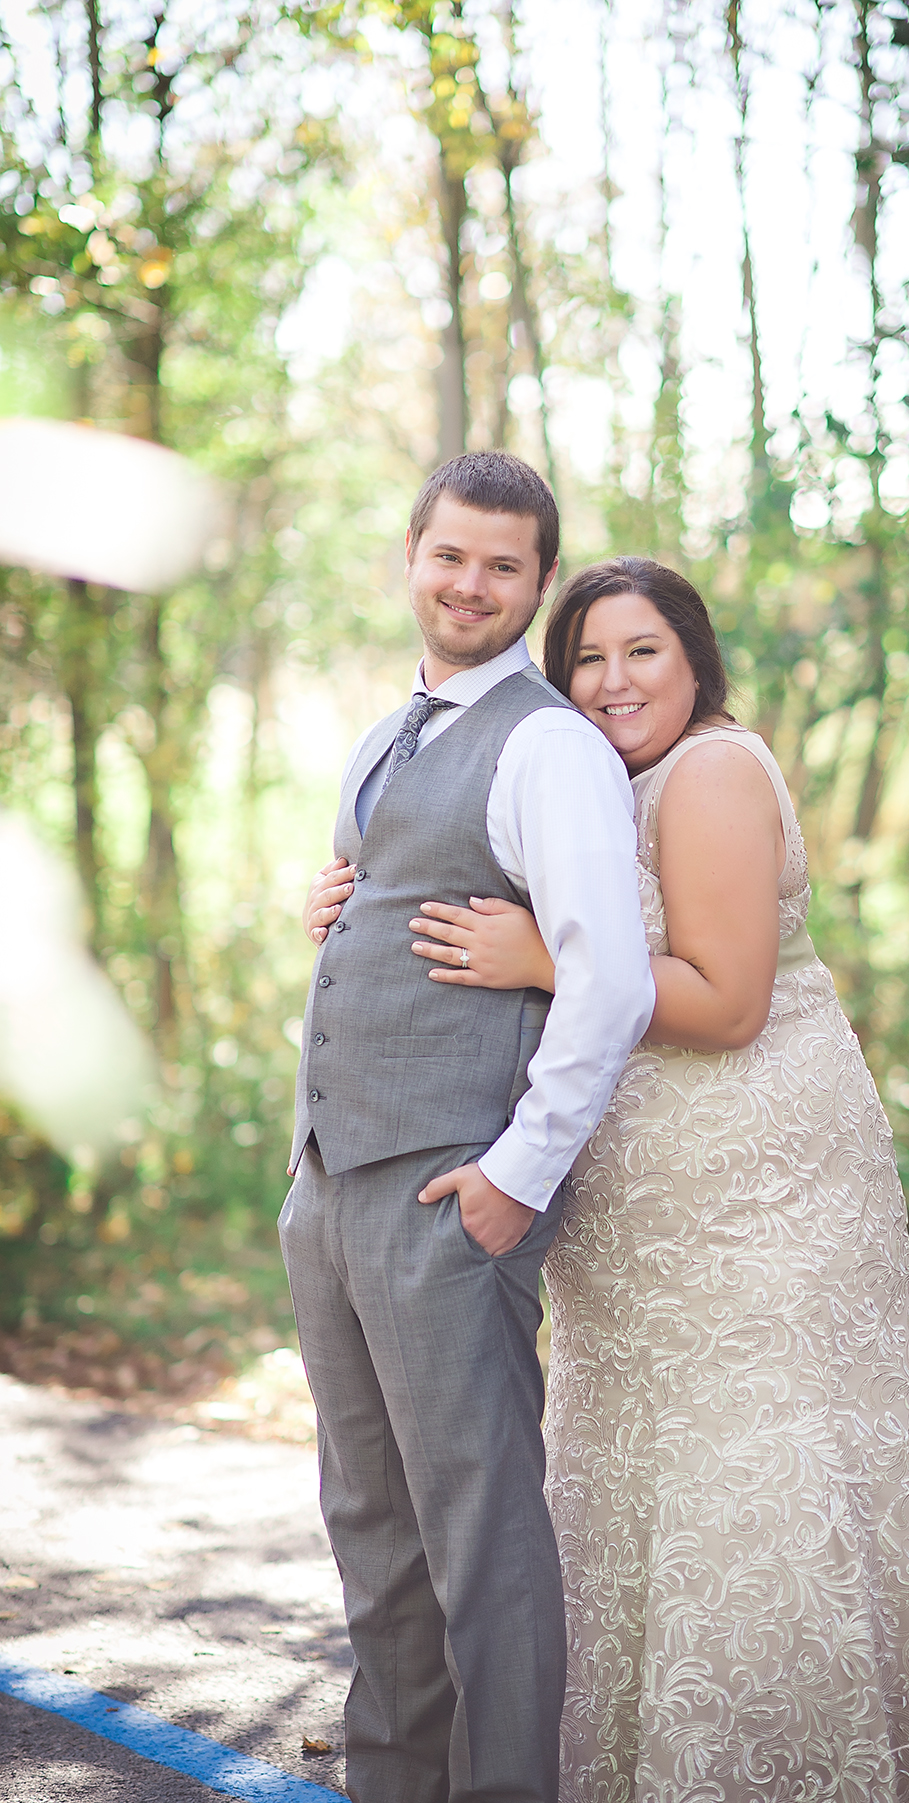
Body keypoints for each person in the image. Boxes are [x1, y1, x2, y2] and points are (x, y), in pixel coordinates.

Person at [392, 557, 909, 1801]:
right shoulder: (599, 781)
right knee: (647, 1480)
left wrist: (540, 960)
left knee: (758, 1476)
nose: (612, 682)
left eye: (643, 653)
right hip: (642, 1208)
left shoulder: (714, 771)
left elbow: (728, 1004)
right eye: (587, 659)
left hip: (754, 1194)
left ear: (696, 661)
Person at [287, 457, 655, 1803]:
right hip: (330, 1185)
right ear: (412, 553)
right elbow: (374, 947)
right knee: (374, 1534)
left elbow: (606, 975)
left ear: (536, 583)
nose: (471, 584)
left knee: (482, 1540)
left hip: (450, 1191)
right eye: (452, 555)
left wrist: (517, 1175)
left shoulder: (550, 742)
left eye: (504, 565)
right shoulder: (391, 735)